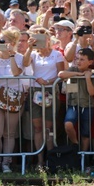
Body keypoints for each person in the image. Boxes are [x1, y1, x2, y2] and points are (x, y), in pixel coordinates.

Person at [0, 28, 24, 173]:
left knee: (9, 133)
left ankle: (6, 162)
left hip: (14, 99)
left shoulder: (19, 57)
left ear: (12, 43)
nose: (0, 43)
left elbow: (15, 73)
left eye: (3, 41)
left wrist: (12, 56)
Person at [24, 28, 65, 167]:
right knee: (37, 127)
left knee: (48, 127)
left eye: (43, 38)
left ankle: (50, 159)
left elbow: (60, 74)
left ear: (48, 39)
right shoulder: (34, 55)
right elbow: (24, 64)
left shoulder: (57, 55)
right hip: (36, 92)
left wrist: (48, 82)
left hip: (50, 90)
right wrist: (29, 48)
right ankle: (40, 161)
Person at [59, 48, 94, 152]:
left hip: (87, 105)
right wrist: (79, 74)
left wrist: (88, 78)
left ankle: (83, 156)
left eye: (82, 59)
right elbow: (61, 74)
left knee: (85, 133)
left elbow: (92, 92)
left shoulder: (92, 72)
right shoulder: (73, 69)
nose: (78, 61)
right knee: (68, 124)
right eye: (77, 59)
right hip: (73, 104)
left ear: (90, 62)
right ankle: (76, 144)